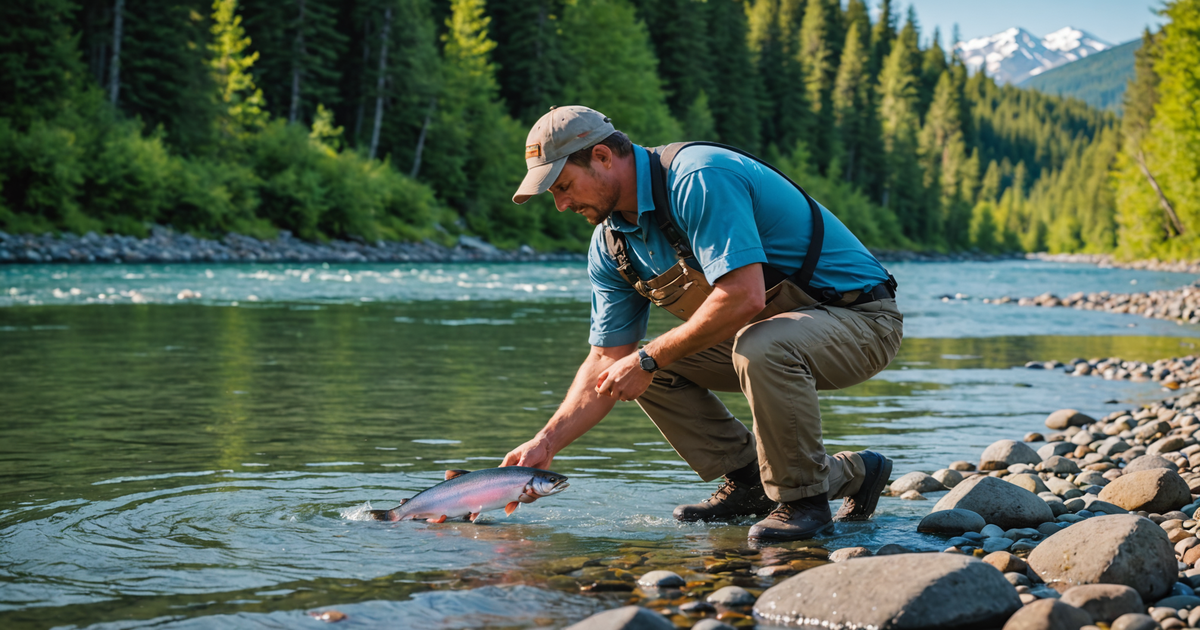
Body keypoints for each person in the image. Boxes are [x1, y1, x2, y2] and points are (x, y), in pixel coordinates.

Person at [500, 105, 903, 541]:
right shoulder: (611, 244)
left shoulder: (699, 178)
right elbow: (604, 359)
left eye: (563, 186)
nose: (561, 205)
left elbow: (743, 296)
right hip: (767, 336)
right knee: (638, 367)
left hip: (861, 322)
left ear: (601, 156)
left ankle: (803, 502)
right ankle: (755, 482)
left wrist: (649, 358)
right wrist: (546, 442)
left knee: (714, 350)